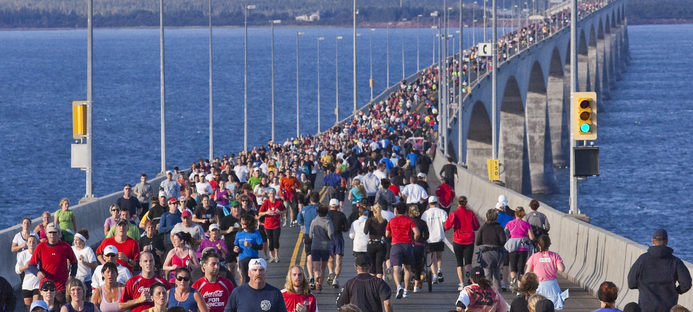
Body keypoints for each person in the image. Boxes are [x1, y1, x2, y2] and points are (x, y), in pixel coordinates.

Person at [627, 228, 692, 312]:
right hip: (668, 307)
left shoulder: (643, 259)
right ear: (667, 242)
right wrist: (675, 291)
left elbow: (631, 283)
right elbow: (686, 283)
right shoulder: (675, 262)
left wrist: (643, 287)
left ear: (653, 241)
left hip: (646, 307)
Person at [27, 222, 78, 305]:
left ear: (59, 234)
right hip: (46, 287)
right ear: (46, 234)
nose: (52, 234)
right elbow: (31, 265)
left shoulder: (65, 247)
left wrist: (71, 277)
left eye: (54, 232)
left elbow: (74, 262)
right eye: (50, 232)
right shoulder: (41, 247)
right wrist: (37, 272)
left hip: (61, 287)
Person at [444, 196, 480, 290]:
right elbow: (477, 226)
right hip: (469, 240)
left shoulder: (454, 214)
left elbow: (447, 226)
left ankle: (461, 283)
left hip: (458, 240)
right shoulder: (470, 213)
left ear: (458, 204)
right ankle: (469, 279)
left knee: (459, 262)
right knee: (468, 262)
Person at [385, 202, 420, 299]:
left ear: (396, 210)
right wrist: (414, 240)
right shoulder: (410, 220)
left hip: (396, 245)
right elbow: (417, 233)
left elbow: (387, 234)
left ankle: (398, 286)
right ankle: (406, 290)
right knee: (407, 269)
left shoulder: (392, 221)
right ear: (406, 210)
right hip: (407, 245)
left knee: (396, 270)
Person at [525, 236, 566, 310]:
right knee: (553, 306)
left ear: (538, 245)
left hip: (539, 285)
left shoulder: (534, 257)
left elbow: (527, 272)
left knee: (538, 306)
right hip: (552, 285)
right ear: (549, 244)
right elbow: (562, 269)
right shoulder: (554, 255)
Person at [506, 207, 534, 291]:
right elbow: (532, 237)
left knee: (513, 267)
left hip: (513, 247)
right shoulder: (526, 224)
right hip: (523, 248)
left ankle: (513, 278)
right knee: (521, 269)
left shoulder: (509, 223)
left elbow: (506, 234)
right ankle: (520, 289)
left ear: (515, 214)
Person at [421, 196, 448, 284]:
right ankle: (439, 269)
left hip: (430, 238)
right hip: (440, 237)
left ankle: (434, 275)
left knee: (431, 258)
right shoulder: (442, 212)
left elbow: (422, 225)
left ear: (429, 203)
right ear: (437, 202)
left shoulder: (425, 213)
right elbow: (446, 224)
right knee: (439, 256)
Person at [297, 193, 320, 289]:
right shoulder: (321, 210)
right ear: (318, 200)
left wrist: (305, 227)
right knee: (318, 257)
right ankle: (316, 277)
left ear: (310, 200)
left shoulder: (304, 210)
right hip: (319, 235)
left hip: (307, 234)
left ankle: (311, 276)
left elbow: (299, 221)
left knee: (309, 255)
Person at [309, 204, 334, 293]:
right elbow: (330, 235)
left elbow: (310, 235)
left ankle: (316, 281)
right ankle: (320, 284)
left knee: (316, 267)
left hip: (315, 246)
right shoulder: (328, 222)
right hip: (325, 247)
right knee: (323, 267)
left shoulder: (314, 222)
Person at [234, 214, 264, 285]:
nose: (241, 223)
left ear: (248, 223)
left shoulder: (256, 233)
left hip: (253, 258)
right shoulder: (239, 234)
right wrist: (236, 249)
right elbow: (236, 245)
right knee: (245, 278)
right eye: (241, 222)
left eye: (243, 222)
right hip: (242, 259)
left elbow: (260, 247)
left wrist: (250, 245)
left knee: (254, 278)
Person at [259, 188, 286, 263]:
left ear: (275, 194)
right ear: (268, 195)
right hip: (268, 225)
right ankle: (272, 256)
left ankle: (277, 256)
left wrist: (279, 212)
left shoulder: (279, 202)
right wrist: (266, 212)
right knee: (270, 242)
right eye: (270, 193)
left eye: (273, 193)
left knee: (276, 240)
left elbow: (285, 210)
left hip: (276, 224)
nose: (272, 195)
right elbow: (260, 213)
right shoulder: (266, 203)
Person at [327, 198, 348, 289]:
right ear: (338, 206)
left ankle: (331, 271)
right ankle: (335, 278)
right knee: (338, 259)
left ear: (329, 206)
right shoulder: (341, 215)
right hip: (338, 238)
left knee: (330, 257)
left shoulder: (326, 215)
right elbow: (346, 228)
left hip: (328, 238)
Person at [219, 201, 242, 281]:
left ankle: (241, 287)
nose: (236, 209)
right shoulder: (226, 219)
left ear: (240, 207)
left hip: (242, 246)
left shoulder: (244, 218)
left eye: (238, 207)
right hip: (230, 245)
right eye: (234, 207)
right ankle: (232, 285)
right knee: (231, 267)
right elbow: (220, 231)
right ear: (231, 208)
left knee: (241, 269)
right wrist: (227, 231)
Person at [16, 233, 40, 309]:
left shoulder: (40, 254)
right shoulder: (23, 254)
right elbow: (17, 270)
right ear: (26, 243)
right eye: (30, 242)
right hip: (27, 285)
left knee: (36, 307)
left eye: (34, 242)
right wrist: (25, 266)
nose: (31, 244)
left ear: (37, 243)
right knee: (29, 308)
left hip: (38, 284)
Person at [409, 205, 429, 293]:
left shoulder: (409, 222)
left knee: (408, 264)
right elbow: (427, 235)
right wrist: (423, 240)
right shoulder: (423, 223)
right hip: (420, 245)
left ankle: (409, 280)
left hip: (410, 245)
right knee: (419, 265)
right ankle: (416, 286)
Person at [364, 204, 388, 279]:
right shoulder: (384, 221)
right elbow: (386, 233)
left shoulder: (369, 220)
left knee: (372, 265)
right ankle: (379, 284)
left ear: (373, 211)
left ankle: (372, 284)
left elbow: (365, 231)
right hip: (381, 243)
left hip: (372, 243)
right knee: (379, 265)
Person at [72, 229, 98, 299]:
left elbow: (94, 265)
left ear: (83, 241)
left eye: (77, 240)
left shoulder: (87, 250)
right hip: (74, 278)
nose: (75, 242)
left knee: (86, 299)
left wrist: (83, 262)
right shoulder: (72, 249)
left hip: (86, 279)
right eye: (74, 239)